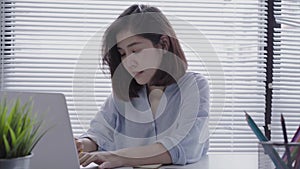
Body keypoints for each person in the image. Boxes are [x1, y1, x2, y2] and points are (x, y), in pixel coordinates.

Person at [75, 4, 210, 169]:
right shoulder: (124, 94)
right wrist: (81, 145)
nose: (128, 62)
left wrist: (119, 157)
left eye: (136, 50)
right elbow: (98, 135)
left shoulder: (194, 86)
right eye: (123, 53)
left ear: (163, 45)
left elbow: (186, 145)